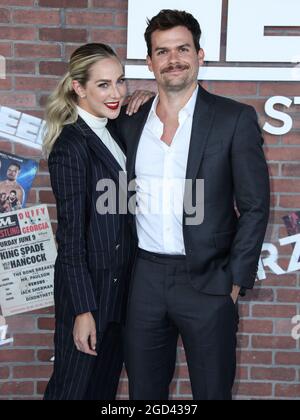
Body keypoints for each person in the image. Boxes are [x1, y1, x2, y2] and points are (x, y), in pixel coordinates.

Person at [114, 9, 270, 400]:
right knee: (144, 396)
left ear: (200, 55)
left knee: (212, 393)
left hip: (210, 282)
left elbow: (255, 205)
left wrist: (234, 282)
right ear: (149, 62)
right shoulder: (130, 122)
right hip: (144, 278)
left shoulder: (234, 119)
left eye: (182, 48)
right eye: (162, 52)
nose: (173, 59)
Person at [43, 43, 152, 400]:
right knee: (72, 390)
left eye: (120, 81)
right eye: (103, 85)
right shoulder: (71, 145)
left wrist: (146, 98)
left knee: (101, 391)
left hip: (122, 291)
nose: (116, 92)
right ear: (78, 87)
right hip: (90, 295)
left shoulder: (115, 126)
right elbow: (71, 237)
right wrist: (82, 311)